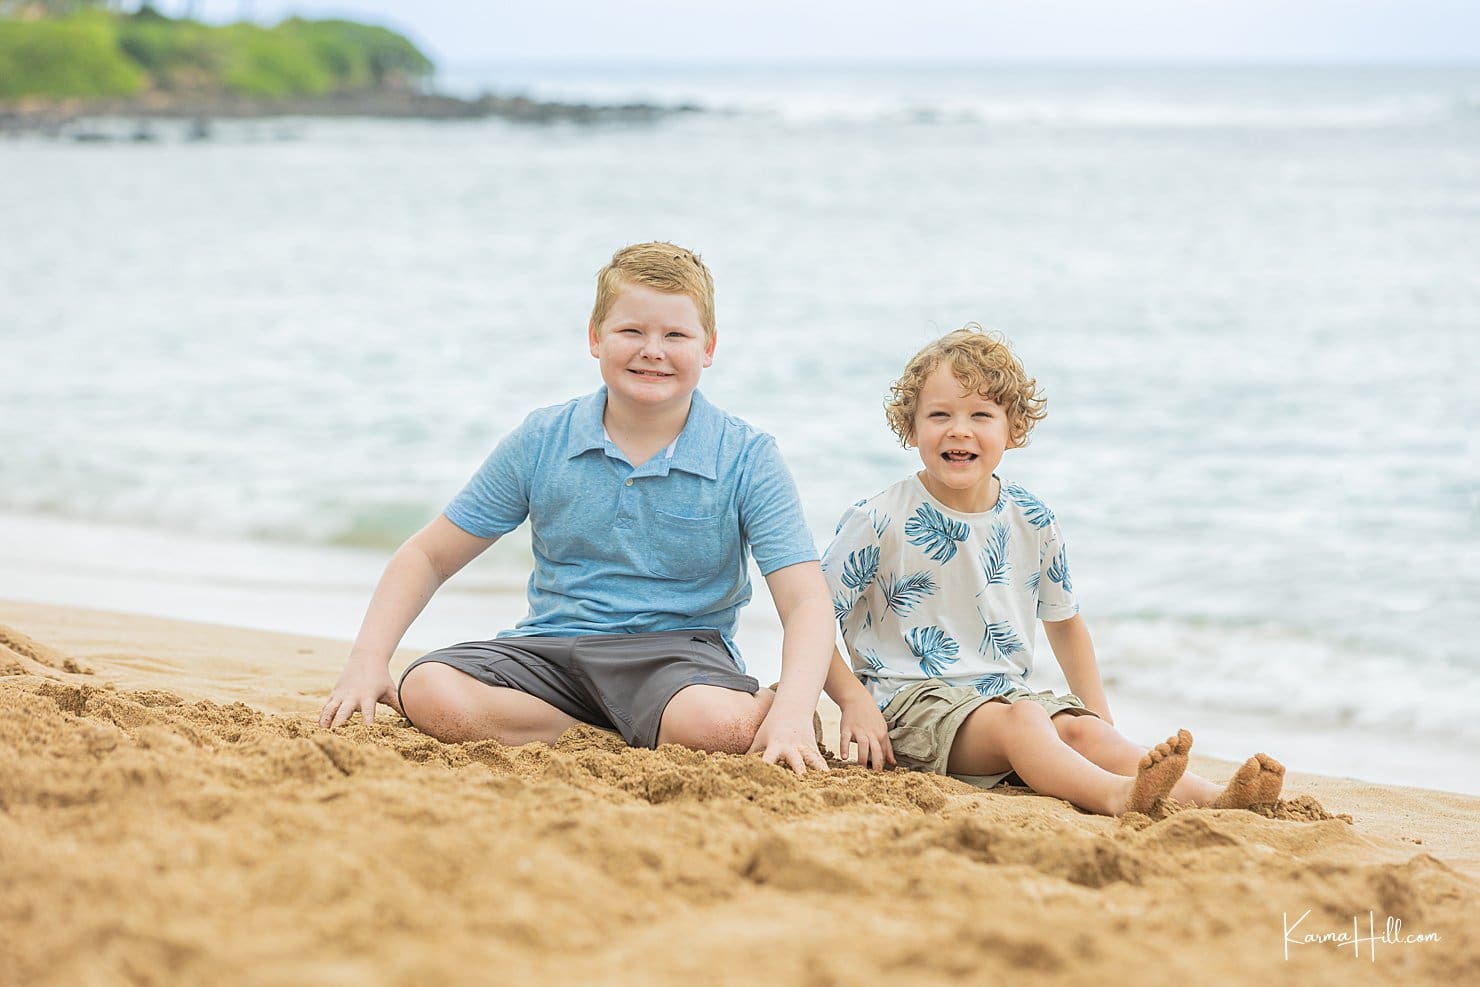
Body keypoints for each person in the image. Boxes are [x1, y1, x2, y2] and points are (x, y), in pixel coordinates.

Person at [319, 242, 833, 775]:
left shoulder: (746, 455)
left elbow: (804, 602)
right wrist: (367, 661)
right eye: (631, 331)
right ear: (595, 337)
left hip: (678, 662)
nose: (652, 350)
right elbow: (429, 556)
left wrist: (795, 711)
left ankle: (762, 709)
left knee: (711, 727)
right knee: (428, 689)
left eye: (675, 335)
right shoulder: (544, 438)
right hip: (553, 650)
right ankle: (598, 734)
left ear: (709, 347)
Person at [818, 327, 1284, 814]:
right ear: (911, 429)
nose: (959, 430)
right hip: (911, 708)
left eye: (981, 414)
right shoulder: (877, 519)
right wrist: (854, 700)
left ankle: (1218, 798)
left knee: (1078, 728)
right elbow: (812, 617)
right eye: (939, 415)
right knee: (1024, 722)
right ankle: (1115, 796)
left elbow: (1064, 624)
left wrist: (1102, 722)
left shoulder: (1032, 518)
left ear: (1013, 430)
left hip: (1007, 696)